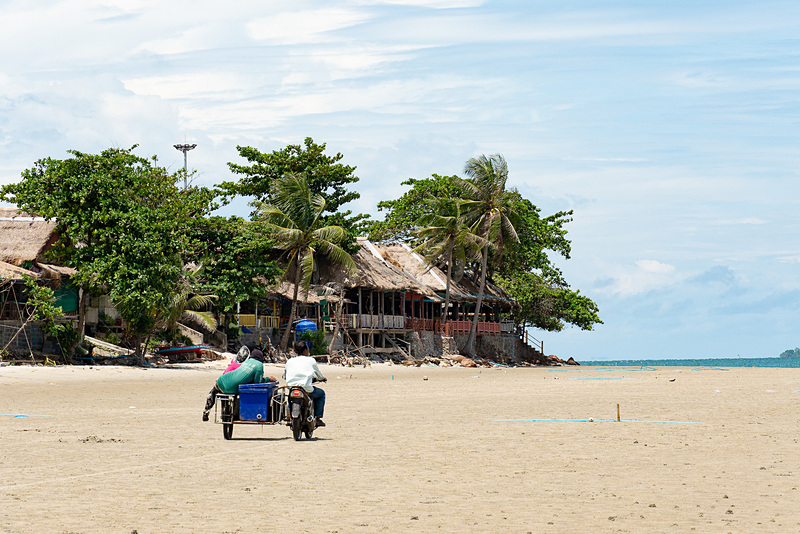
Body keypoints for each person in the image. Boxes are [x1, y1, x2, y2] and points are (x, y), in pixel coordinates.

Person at [202, 349, 278, 422]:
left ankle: (206, 410)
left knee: (214, 391)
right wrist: (268, 378)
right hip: (233, 388)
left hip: (222, 380)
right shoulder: (259, 365)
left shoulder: (247, 361)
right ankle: (233, 413)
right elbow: (258, 382)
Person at [285, 341, 327, 427]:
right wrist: (322, 379)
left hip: (292, 387)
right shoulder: (311, 360)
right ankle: (318, 418)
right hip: (305, 388)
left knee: (290, 397)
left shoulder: (289, 361)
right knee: (321, 394)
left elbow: (285, 375)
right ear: (305, 350)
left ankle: (289, 417)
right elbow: (319, 374)